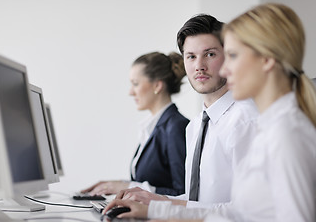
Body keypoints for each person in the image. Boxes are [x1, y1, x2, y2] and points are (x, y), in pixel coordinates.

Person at [104, 3, 316, 222]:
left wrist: (159, 209)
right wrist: (156, 204)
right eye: (191, 57)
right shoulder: (201, 126)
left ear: (267, 60)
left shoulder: (270, 127)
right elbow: (234, 212)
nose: (222, 68)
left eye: (230, 55)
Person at [110, 14, 258, 208]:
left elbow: (249, 210)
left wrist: (158, 205)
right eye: (191, 56)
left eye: (210, 54)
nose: (199, 66)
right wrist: (153, 201)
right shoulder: (195, 127)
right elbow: (196, 200)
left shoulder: (246, 119)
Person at [81, 51, 189, 196]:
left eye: (135, 84)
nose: (131, 92)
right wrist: (116, 185)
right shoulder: (153, 127)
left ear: (157, 86)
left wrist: (128, 186)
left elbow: (183, 194)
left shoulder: (175, 127)